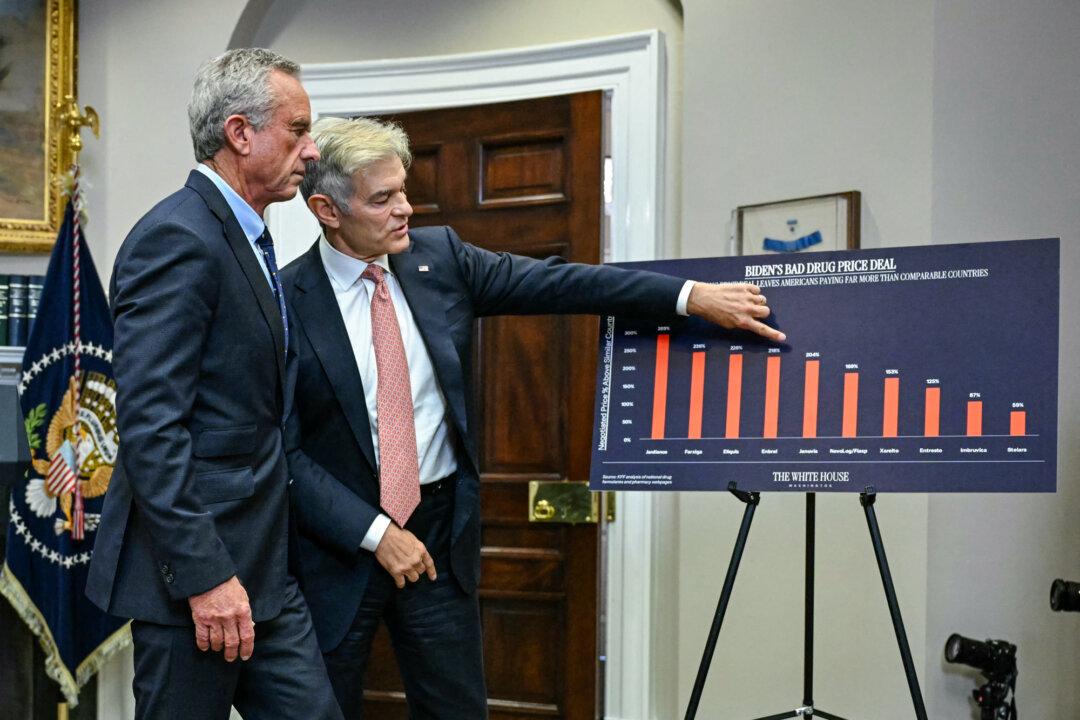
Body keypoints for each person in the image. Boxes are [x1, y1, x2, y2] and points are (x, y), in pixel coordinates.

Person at [281, 116, 786, 719]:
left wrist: (689, 297)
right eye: (383, 198)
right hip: (339, 548)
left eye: (405, 191)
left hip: (439, 534)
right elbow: (283, 453)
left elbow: (562, 283)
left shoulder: (439, 258)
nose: (405, 210)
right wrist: (376, 534)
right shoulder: (284, 302)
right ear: (326, 210)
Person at [86, 49, 341, 720]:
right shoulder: (178, 237)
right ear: (239, 133)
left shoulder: (247, 236)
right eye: (297, 129)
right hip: (197, 584)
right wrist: (205, 577)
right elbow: (150, 428)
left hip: (267, 577)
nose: (311, 150)